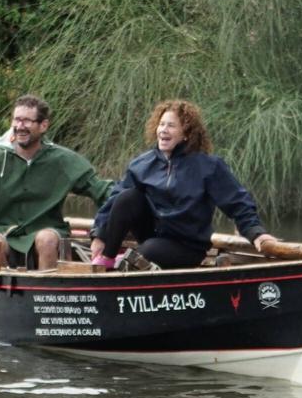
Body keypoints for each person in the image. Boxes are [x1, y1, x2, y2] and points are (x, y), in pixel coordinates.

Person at [87, 99, 281, 270]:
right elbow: (114, 201)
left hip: (188, 245)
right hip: (152, 236)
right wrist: (99, 236)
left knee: (146, 251)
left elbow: (237, 202)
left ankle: (135, 260)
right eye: (161, 124)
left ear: (186, 133)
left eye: (171, 126)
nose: (163, 130)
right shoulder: (142, 164)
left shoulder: (208, 166)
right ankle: (108, 259)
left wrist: (257, 234)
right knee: (127, 197)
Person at [0, 94, 114, 269]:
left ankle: (47, 297)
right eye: (16, 119)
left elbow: (105, 192)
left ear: (43, 126)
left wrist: (105, 231)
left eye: (27, 121)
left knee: (47, 240)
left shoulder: (64, 161)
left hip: (45, 229)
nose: (20, 126)